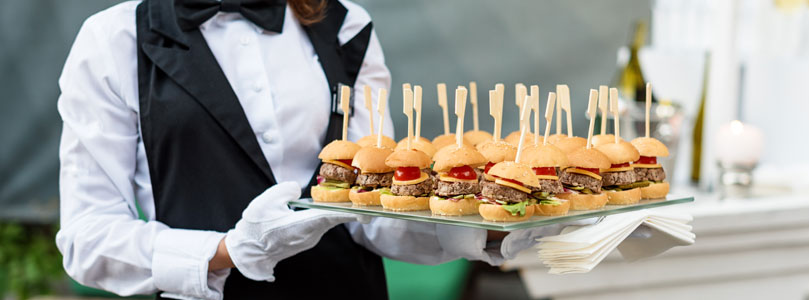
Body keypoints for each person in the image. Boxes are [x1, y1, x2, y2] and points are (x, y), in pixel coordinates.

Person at [56, 0, 593, 299]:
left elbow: (370, 214)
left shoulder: (346, 26)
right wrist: (230, 252)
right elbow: (87, 237)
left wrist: (488, 228)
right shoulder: (112, 40)